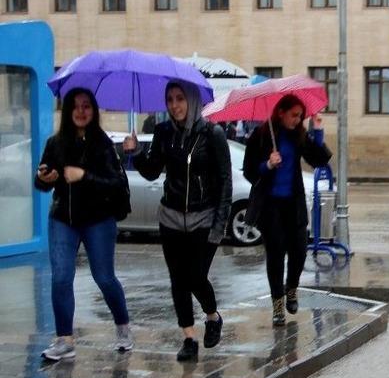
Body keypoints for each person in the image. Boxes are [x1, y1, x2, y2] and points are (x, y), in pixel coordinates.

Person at [123, 80, 232, 362]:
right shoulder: (163, 132)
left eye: (180, 98)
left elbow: (224, 182)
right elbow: (151, 172)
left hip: (203, 218)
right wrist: (135, 153)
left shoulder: (212, 134)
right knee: (178, 280)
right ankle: (188, 338)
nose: (174, 105)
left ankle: (212, 316)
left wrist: (220, 226)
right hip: (170, 219)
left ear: (192, 100)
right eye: (170, 99)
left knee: (196, 277)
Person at [34, 87, 133, 360]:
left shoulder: (103, 144)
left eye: (86, 106)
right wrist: (45, 178)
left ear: (93, 111)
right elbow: (41, 181)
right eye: (75, 106)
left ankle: (123, 326)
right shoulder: (56, 143)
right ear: (67, 111)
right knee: (61, 277)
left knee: (104, 277)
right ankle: (64, 339)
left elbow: (115, 185)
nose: (80, 111)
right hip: (63, 219)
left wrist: (84, 176)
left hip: (98, 220)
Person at [243, 94, 331, 326]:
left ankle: (291, 287)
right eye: (294, 115)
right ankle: (278, 306)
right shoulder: (261, 136)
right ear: (280, 112)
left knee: (300, 251)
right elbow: (249, 172)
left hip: (294, 204)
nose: (297, 119)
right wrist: (268, 164)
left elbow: (319, 159)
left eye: (300, 116)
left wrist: (318, 131)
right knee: (275, 256)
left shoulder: (298, 135)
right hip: (270, 206)